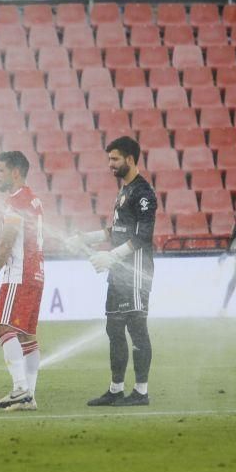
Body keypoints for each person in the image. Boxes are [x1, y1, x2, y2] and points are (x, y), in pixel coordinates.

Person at [77, 137, 157, 407]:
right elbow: (119, 230)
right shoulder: (124, 191)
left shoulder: (143, 193)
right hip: (118, 270)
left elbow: (143, 236)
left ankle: (141, 392)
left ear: (130, 159)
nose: (110, 164)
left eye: (115, 159)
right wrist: (88, 238)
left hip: (135, 272)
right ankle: (116, 389)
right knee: (113, 328)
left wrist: (111, 255)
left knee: (136, 328)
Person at [0, 151, 44, 411]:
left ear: (15, 172)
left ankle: (20, 389)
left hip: (18, 273)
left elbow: (7, 242)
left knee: (4, 328)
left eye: (1, 171)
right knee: (27, 336)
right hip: (36, 273)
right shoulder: (34, 199)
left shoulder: (16, 200)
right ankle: (29, 395)